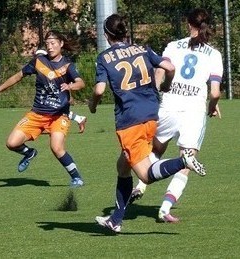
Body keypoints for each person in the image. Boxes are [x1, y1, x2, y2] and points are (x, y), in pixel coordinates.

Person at [88, 13, 206, 233]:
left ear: (106, 35)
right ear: (126, 33)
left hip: (129, 120)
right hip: (151, 114)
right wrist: (167, 85)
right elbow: (169, 67)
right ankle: (116, 219)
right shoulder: (142, 49)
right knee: (123, 165)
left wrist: (92, 104)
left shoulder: (104, 58)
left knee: (144, 174)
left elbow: (99, 90)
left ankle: (184, 161)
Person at [129, 8, 223, 223]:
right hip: (194, 111)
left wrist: (153, 93)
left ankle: (141, 184)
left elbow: (160, 72)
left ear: (189, 24)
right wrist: (212, 105)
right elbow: (215, 92)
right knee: (187, 160)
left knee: (156, 149)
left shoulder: (173, 45)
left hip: (169, 106)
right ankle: (165, 208)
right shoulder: (214, 54)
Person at [0, 30, 85, 187]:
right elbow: (17, 76)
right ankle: (29, 153)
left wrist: (71, 85)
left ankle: (76, 177)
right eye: (47, 44)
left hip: (59, 115)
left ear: (61, 44)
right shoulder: (39, 61)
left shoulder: (67, 65)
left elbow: (81, 82)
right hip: (37, 113)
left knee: (56, 148)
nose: (50, 47)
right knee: (11, 143)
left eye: (53, 43)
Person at [35, 49, 87, 133]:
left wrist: (70, 93)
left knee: (58, 111)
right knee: (54, 109)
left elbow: (70, 82)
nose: (38, 58)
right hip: (50, 96)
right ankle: (79, 118)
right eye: (37, 56)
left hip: (60, 95)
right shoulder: (40, 69)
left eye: (40, 56)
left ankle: (78, 119)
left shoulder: (58, 67)